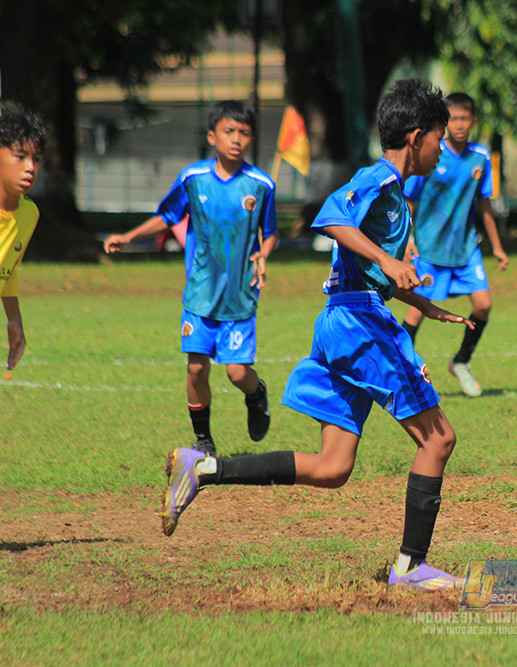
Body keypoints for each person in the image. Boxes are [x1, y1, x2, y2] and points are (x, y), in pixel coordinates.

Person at [159, 78, 472, 592]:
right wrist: (391, 261)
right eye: (440, 138)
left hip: (343, 322)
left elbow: (367, 270)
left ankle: (203, 469)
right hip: (360, 325)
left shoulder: (396, 197)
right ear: (417, 137)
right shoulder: (379, 180)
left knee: (332, 467)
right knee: (439, 440)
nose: (443, 151)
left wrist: (423, 305)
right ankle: (411, 568)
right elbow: (330, 216)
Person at [104, 101, 277, 455]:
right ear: (213, 136)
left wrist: (264, 254)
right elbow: (167, 216)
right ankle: (204, 440)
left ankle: (257, 395)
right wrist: (129, 236)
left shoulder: (261, 185)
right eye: (229, 131)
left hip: (239, 297)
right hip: (199, 294)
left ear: (252, 138)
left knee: (237, 374)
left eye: (244, 133)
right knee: (196, 369)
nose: (237, 139)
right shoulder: (193, 178)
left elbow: (271, 231)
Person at [400, 92, 509, 397]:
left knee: (484, 305)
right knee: (416, 311)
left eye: (465, 119)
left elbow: (484, 204)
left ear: (473, 122)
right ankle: (400, 369)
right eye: (454, 119)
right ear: (446, 123)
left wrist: (497, 247)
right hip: (429, 249)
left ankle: (461, 361)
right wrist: (407, 240)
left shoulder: (481, 157)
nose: (460, 125)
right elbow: (409, 201)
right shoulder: (433, 153)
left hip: (465, 249)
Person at [0, 103, 46, 372]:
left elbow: (8, 270)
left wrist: (14, 320)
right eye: (20, 157)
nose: (30, 167)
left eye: (37, 158)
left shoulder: (29, 214)